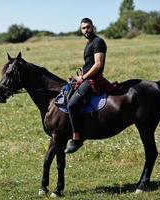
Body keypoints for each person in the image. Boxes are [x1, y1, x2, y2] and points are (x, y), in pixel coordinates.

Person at [65, 18, 107, 154]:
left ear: (92, 27)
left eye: (88, 27)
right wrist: (78, 78)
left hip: (93, 80)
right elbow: (89, 64)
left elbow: (98, 65)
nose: (86, 30)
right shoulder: (88, 43)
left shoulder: (98, 42)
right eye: (83, 28)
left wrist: (83, 77)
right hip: (86, 78)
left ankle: (77, 138)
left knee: (72, 104)